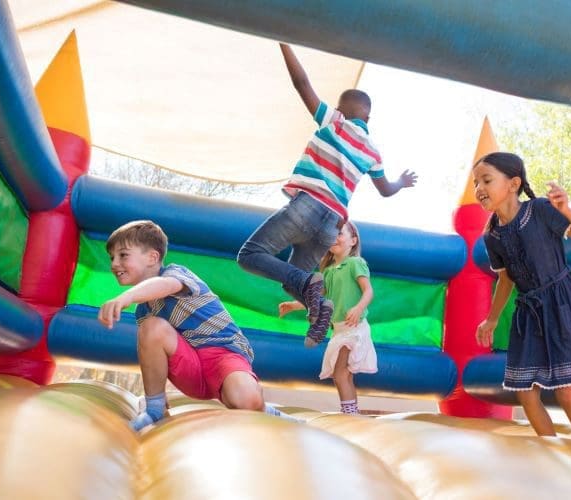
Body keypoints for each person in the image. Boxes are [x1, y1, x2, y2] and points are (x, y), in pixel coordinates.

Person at [237, 43, 417, 347]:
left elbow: (302, 83)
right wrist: (400, 182)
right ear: (368, 120)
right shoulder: (372, 151)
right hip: (332, 223)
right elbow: (385, 190)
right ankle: (320, 312)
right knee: (296, 282)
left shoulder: (335, 122)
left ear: (340, 110)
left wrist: (283, 42)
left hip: (307, 206)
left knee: (251, 255)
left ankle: (310, 290)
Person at [98, 220, 290, 430]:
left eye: (123, 255)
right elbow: (154, 352)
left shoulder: (176, 274)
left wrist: (127, 297)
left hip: (223, 354)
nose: (114, 264)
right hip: (190, 368)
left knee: (245, 400)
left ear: (153, 257)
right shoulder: (144, 311)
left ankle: (264, 409)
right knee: (152, 327)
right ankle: (155, 409)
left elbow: (165, 286)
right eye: (112, 258)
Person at [472, 152, 571, 441]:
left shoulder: (540, 210)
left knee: (565, 391)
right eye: (476, 183)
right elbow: (506, 278)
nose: (479, 189)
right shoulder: (492, 235)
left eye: (486, 180)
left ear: (513, 184)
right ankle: (553, 454)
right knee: (525, 393)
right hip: (529, 312)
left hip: (561, 302)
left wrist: (566, 209)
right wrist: (491, 319)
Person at [278, 221, 377, 414]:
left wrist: (358, 307)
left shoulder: (355, 263)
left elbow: (368, 291)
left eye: (340, 234)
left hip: (354, 328)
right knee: (341, 375)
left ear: (353, 241)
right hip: (339, 330)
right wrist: (293, 305)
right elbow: (319, 299)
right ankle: (351, 411)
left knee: (341, 373)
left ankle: (350, 414)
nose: (335, 238)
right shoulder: (329, 271)